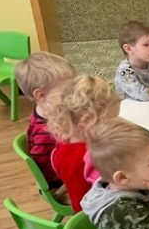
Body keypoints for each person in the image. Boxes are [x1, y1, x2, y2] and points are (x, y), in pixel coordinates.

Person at [48, 75, 121, 212]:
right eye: (110, 121)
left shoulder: (62, 143)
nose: (113, 126)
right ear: (86, 120)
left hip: (79, 202)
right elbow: (113, 186)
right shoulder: (91, 156)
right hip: (94, 210)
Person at [13, 51, 75, 200]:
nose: (72, 95)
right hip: (60, 184)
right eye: (67, 92)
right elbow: (47, 169)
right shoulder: (45, 132)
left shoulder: (46, 111)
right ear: (40, 95)